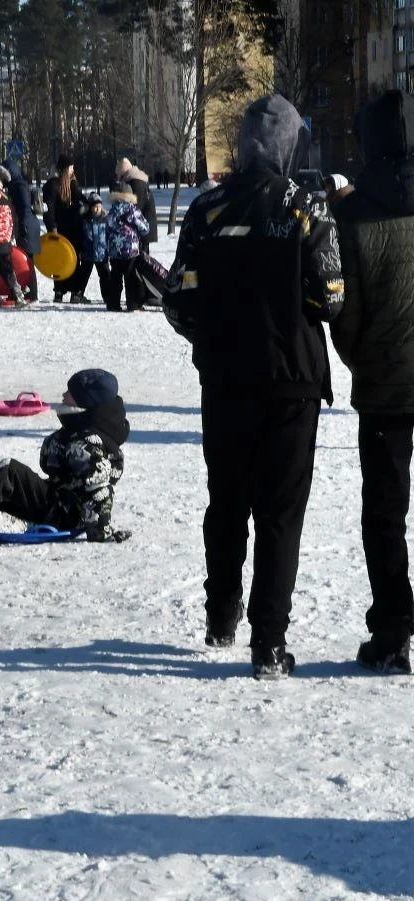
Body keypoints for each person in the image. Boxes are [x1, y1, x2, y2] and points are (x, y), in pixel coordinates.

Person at [163, 93, 344, 679]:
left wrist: (210, 336)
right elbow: (333, 298)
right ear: (292, 144)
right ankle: (269, 642)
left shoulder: (206, 208)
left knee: (227, 500)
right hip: (292, 379)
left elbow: (177, 297)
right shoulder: (307, 207)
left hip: (225, 378)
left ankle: (221, 615)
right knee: (280, 512)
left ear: (242, 144)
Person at [331, 90, 414, 673]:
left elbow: (345, 311)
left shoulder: (354, 212)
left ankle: (392, 630)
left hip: (385, 385)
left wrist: (362, 359)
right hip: (385, 377)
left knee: (384, 512)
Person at [0, 369, 131, 544]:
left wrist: (100, 530)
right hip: (59, 503)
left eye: (71, 393)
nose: (63, 394)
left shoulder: (87, 442)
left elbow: (99, 487)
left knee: (9, 472)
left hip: (64, 513)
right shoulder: (78, 431)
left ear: (85, 401)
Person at [42, 154, 87, 303]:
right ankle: (64, 291)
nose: (73, 169)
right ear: (65, 168)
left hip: (72, 230)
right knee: (64, 260)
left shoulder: (73, 184)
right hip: (63, 231)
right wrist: (52, 227)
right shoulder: (53, 186)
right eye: (71, 167)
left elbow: (82, 201)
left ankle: (68, 291)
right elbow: (49, 209)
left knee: (69, 260)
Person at [115, 157, 158, 311]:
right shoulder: (138, 179)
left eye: (119, 176)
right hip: (141, 231)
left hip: (140, 233)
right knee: (140, 265)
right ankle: (142, 295)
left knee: (139, 267)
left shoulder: (135, 183)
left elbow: (135, 210)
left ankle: (142, 296)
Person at [0, 160, 40, 300]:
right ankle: (29, 291)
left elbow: (21, 209)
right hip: (29, 225)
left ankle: (31, 293)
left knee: (26, 260)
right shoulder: (18, 184)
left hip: (25, 226)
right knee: (27, 259)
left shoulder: (17, 186)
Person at [104, 181, 150, 311]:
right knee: (130, 278)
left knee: (115, 277)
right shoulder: (132, 210)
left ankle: (113, 303)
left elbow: (106, 228)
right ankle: (132, 303)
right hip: (130, 250)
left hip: (114, 250)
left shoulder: (112, 211)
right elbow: (145, 228)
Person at [0, 173, 26, 306]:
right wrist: (12, 236)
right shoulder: (5, 199)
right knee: (7, 269)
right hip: (4, 241)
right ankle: (18, 294)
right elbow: (13, 219)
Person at [81, 195, 110, 305]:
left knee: (105, 276)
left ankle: (108, 296)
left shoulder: (105, 219)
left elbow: (108, 235)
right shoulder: (85, 220)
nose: (97, 209)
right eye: (95, 207)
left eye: (99, 206)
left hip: (102, 253)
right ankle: (78, 294)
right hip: (88, 253)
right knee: (84, 274)